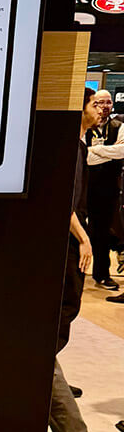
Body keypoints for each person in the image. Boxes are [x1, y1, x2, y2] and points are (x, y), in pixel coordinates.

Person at [45, 89, 109, 432]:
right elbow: (64, 202)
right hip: (67, 251)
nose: (102, 110)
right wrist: (84, 238)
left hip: (70, 252)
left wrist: (84, 239)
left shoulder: (77, 147)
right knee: (45, 348)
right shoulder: (73, 147)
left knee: (45, 348)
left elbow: (66, 204)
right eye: (95, 104)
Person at [86, 90, 124, 290]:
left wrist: (96, 151)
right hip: (85, 185)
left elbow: (122, 151)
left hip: (109, 187)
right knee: (79, 230)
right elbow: (84, 157)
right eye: (101, 102)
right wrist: (109, 152)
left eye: (109, 102)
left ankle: (102, 274)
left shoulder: (119, 126)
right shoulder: (86, 125)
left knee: (103, 232)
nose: (105, 106)